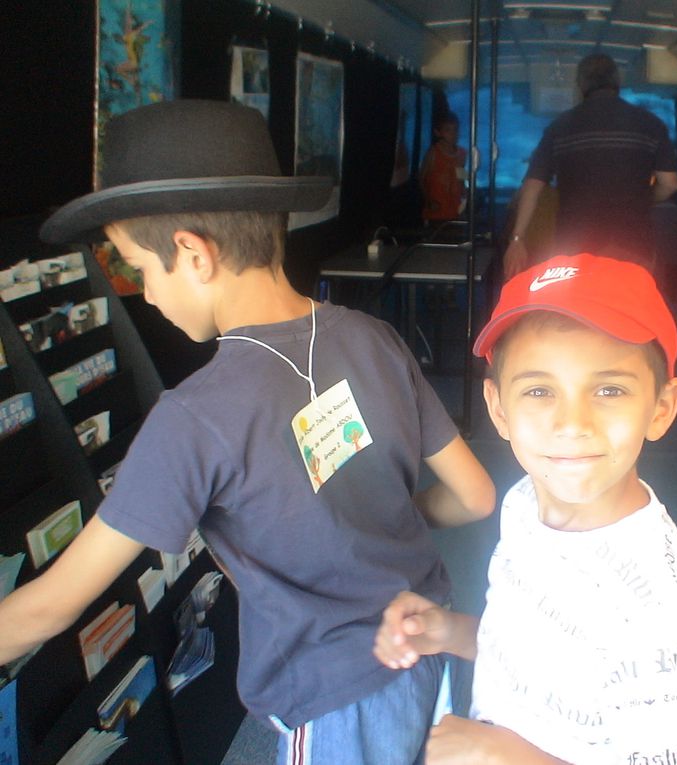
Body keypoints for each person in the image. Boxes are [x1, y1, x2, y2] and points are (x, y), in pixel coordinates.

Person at [0, 99, 496, 765]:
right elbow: (474, 495)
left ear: (192, 253)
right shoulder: (374, 337)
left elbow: (48, 609)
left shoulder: (190, 418)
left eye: (137, 270)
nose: (144, 295)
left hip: (331, 696)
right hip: (431, 640)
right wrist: (376, 518)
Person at [375, 253, 677, 764]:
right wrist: (452, 632)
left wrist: (501, 755)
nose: (571, 423)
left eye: (608, 389)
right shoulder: (525, 499)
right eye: (538, 390)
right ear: (498, 410)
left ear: (660, 408)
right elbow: (542, 646)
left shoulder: (652, 611)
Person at [503, 54, 677, 279]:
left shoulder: (559, 127)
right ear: (617, 82)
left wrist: (517, 239)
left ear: (580, 85)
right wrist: (645, 198)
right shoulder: (651, 124)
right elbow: (670, 184)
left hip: (576, 244)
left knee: (579, 309)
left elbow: (533, 186)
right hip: (633, 243)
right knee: (624, 307)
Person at [420, 111, 467, 226]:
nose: (453, 134)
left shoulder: (462, 153)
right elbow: (421, 179)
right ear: (438, 132)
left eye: (455, 129)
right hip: (435, 213)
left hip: (455, 212)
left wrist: (465, 201)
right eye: (448, 130)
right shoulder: (433, 153)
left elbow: (461, 178)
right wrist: (429, 200)